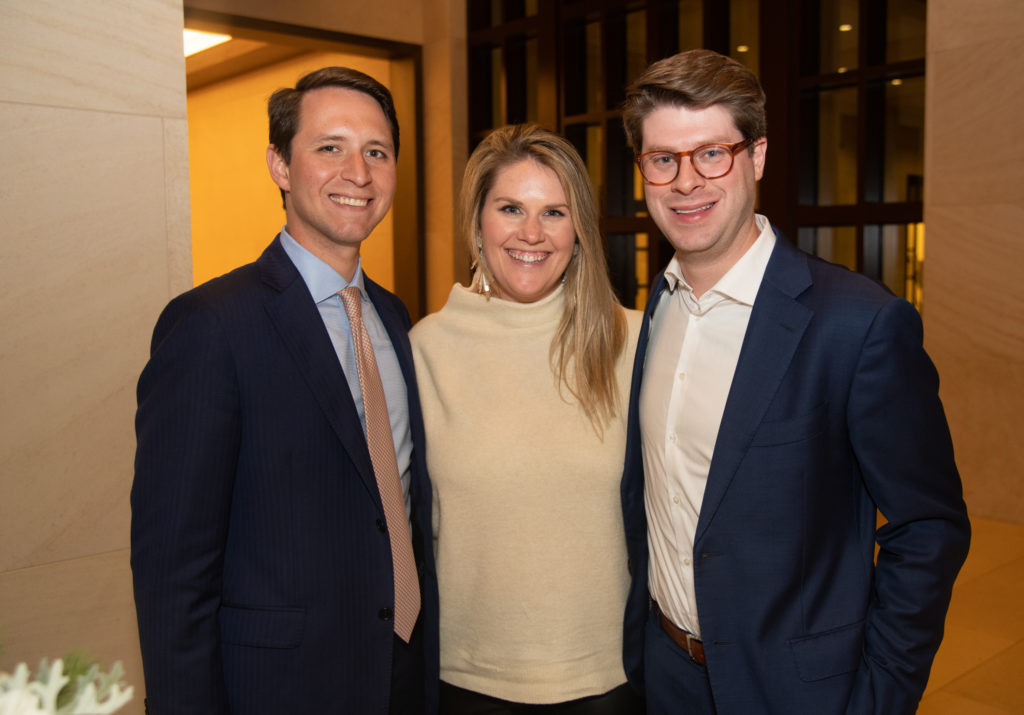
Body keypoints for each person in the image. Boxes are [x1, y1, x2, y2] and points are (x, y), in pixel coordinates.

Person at [618, 49, 970, 714]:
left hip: (798, 694)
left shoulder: (858, 325)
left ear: (757, 156)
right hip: (665, 678)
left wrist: (876, 700)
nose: (685, 181)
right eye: (663, 158)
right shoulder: (654, 312)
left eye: (712, 153)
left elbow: (928, 528)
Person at [130, 66, 438, 714]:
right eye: (330, 147)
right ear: (279, 165)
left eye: (376, 152)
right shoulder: (211, 327)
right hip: (281, 689)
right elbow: (173, 576)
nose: (358, 172)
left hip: (401, 675)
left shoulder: (396, 317)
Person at [410, 124, 644, 714]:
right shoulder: (424, 349)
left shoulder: (634, 341)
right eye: (511, 208)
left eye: (554, 212)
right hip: (467, 680)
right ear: (478, 221)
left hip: (612, 679)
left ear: (579, 231)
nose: (531, 233)